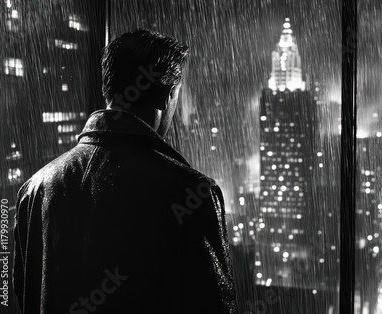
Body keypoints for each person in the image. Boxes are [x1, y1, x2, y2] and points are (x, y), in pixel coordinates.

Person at [13, 29, 236, 314]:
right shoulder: (191, 192)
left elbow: (27, 297)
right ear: (167, 96)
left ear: (109, 87)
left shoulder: (34, 190)